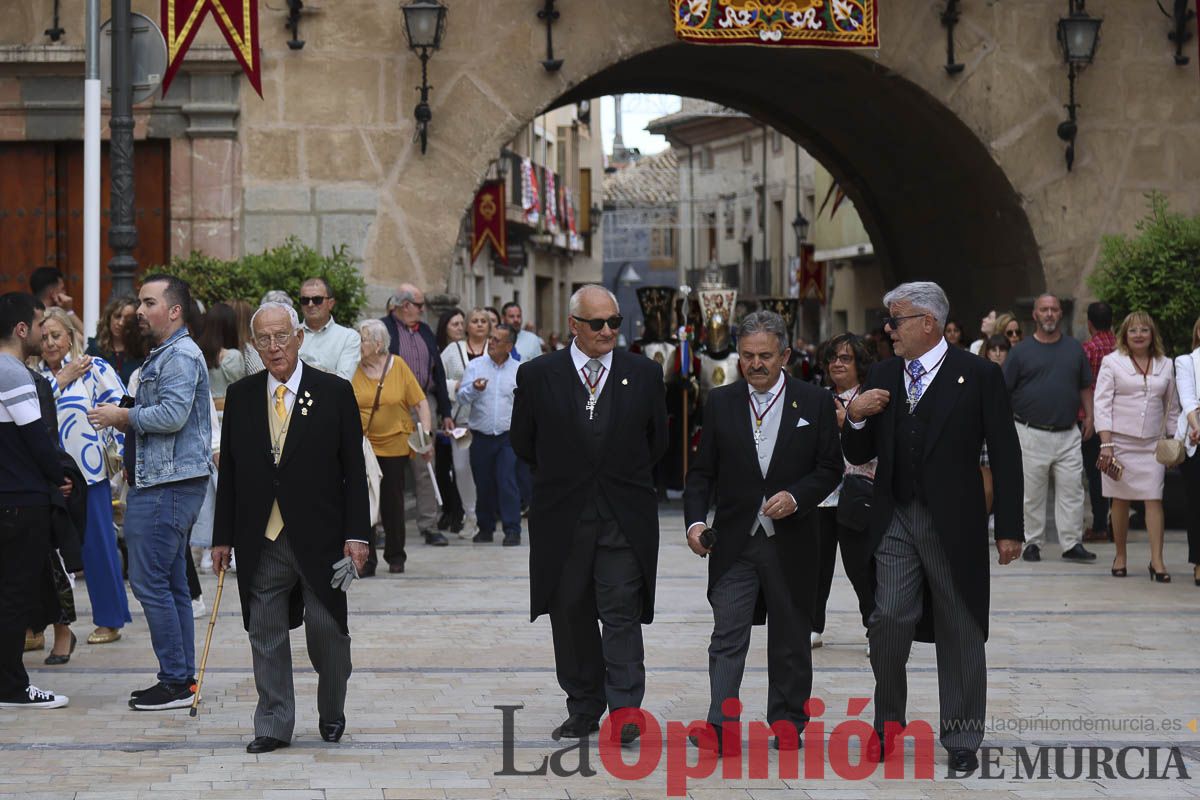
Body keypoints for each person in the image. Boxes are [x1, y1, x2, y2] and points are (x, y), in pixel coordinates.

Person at [843, 281, 1023, 774]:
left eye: (895, 321)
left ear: (928, 323)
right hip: (896, 515)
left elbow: (1006, 453)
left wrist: (1009, 527)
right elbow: (859, 453)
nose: (888, 330)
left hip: (955, 522)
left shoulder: (979, 374)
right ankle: (887, 724)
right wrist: (855, 418)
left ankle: (963, 736)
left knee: (960, 625)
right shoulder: (882, 373)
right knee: (889, 618)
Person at [511, 285, 668, 743]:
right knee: (572, 613)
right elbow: (524, 442)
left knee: (621, 612)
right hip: (564, 518)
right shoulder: (539, 375)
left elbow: (657, 440)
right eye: (597, 324)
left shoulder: (644, 374)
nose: (607, 332)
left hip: (623, 516)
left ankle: (624, 712)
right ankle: (582, 707)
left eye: (614, 323)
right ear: (574, 326)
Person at [211, 301, 370, 754]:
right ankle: (274, 724)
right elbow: (233, 475)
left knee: (328, 634)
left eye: (282, 336)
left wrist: (357, 536)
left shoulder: (334, 392)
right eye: (264, 338)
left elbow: (353, 472)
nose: (274, 346)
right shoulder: (242, 397)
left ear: (299, 337)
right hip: (261, 536)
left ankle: (332, 707)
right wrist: (223, 536)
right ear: (255, 345)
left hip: (322, 540)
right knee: (264, 630)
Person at [683, 311, 842, 751]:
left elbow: (830, 468)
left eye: (765, 356)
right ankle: (720, 724)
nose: (756, 364)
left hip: (792, 543)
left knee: (790, 636)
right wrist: (696, 523)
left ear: (785, 355)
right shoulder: (720, 402)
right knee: (727, 635)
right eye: (748, 356)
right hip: (734, 543)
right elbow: (701, 474)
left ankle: (788, 724)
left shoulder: (813, 402)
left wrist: (798, 497)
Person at [87, 274, 213, 711]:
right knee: (171, 584)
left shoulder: (179, 355)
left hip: (166, 486)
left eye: (148, 302)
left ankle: (176, 682)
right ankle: (180, 679)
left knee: (150, 583)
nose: (139, 311)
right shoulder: (169, 352)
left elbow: (173, 414)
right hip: (163, 483)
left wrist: (122, 417)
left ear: (174, 310)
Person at [36, 307, 131, 647]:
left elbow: (124, 404)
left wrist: (120, 451)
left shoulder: (94, 367)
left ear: (71, 335)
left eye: (56, 336)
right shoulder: (34, 375)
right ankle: (35, 627)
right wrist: (59, 380)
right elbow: (31, 406)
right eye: (44, 337)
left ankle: (110, 619)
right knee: (39, 552)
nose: (49, 343)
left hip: (89, 474)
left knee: (97, 547)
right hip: (43, 477)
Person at [0, 292, 70, 709]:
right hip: (20, 500)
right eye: (41, 326)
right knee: (14, 596)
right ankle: (11, 685)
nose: (45, 336)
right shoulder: (13, 373)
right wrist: (58, 476)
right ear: (21, 329)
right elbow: (37, 438)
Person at [1001, 294, 1095, 563]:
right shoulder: (1019, 352)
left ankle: (1071, 543)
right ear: (1035, 315)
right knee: (1031, 494)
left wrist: (1089, 416)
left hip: (1068, 432)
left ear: (1059, 314)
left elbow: (1084, 385)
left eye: (1054, 310)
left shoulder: (1074, 349)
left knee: (1073, 491)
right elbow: (1005, 391)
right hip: (1030, 432)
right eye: (1045, 310)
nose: (1050, 314)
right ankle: (1032, 542)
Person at [1093, 312, 1179, 582]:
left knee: (1154, 499)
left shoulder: (1166, 364)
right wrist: (1106, 443)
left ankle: (1158, 560)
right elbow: (1102, 403)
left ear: (1152, 334)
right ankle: (1120, 555)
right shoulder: (1112, 362)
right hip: (1119, 444)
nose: (1139, 335)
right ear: (1125, 335)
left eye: (1144, 330)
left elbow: (1172, 407)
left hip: (1153, 444)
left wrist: (1175, 440)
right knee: (1120, 500)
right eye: (1133, 331)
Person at [812, 334, 877, 654]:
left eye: (846, 358)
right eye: (833, 358)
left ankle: (874, 626)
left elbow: (876, 448)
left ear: (860, 365)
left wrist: (846, 422)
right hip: (820, 497)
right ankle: (812, 626)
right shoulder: (816, 398)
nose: (837, 363)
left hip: (857, 493)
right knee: (816, 565)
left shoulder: (870, 399)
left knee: (861, 566)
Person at [353, 319, 432, 575]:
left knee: (392, 503)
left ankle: (396, 555)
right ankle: (367, 560)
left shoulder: (397, 366)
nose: (359, 343)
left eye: (363, 339)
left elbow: (420, 402)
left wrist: (425, 436)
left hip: (395, 444)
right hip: (365, 446)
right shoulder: (352, 368)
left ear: (377, 344)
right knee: (364, 504)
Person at [381, 285, 454, 547]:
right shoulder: (384, 329)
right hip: (393, 407)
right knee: (387, 469)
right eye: (419, 305)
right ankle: (379, 526)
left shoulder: (424, 330)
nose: (423, 310)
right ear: (403, 305)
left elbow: (439, 373)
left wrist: (445, 411)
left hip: (423, 403)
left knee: (425, 467)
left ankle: (429, 524)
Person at [458, 324, 523, 546]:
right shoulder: (476, 366)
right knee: (483, 483)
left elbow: (526, 404)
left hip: (508, 437)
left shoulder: (519, 370)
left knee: (507, 481)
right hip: (481, 436)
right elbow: (461, 398)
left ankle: (512, 529)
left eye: (497, 340)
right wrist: (474, 389)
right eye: (491, 338)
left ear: (509, 346)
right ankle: (485, 528)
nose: (491, 342)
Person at [441, 308, 489, 539]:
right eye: (475, 321)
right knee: (461, 468)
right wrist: (456, 386)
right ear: (467, 326)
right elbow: (439, 378)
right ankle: (470, 516)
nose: (479, 325)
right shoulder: (453, 350)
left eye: (483, 321)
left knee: (485, 469)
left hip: (488, 420)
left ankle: (485, 515)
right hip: (460, 419)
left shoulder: (496, 349)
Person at [1080, 302, 1117, 543]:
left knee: (1096, 473)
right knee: (1116, 470)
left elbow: (1081, 382)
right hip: (1119, 417)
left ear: (1089, 323)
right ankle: (1117, 519)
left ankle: (1100, 525)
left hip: (1092, 417)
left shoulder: (1087, 349)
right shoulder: (1119, 347)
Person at [501, 303, 538, 511]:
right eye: (511, 316)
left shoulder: (531, 340)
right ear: (504, 317)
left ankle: (528, 500)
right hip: (503, 405)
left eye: (518, 315)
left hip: (525, 401)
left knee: (523, 459)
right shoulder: (498, 337)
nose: (516, 319)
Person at [432, 308, 467, 533]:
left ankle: (459, 512)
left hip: (463, 418)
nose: (460, 328)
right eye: (455, 324)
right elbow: (434, 380)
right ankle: (447, 510)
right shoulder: (437, 351)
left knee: (461, 468)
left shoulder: (467, 350)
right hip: (442, 418)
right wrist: (453, 386)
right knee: (443, 467)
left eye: (462, 323)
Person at [1175, 315, 1200, 586]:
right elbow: (1188, 400)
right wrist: (1196, 426)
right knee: (1197, 505)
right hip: (1196, 442)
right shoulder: (1186, 362)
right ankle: (1199, 562)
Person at [297, 277, 361, 380]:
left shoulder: (348, 337)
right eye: (305, 300)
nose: (310, 304)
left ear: (330, 303)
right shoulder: (291, 334)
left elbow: (343, 381)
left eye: (317, 300)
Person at [197, 302, 247, 414]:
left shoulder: (196, 354)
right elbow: (240, 392)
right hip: (226, 417)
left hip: (203, 417)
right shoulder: (232, 357)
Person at [87, 296, 141, 385]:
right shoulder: (95, 349)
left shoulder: (140, 352)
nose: (121, 323)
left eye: (127, 319)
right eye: (117, 316)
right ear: (109, 317)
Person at [29, 267, 83, 336]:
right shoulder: (55, 319)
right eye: (62, 288)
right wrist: (69, 311)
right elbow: (89, 340)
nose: (65, 292)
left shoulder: (28, 316)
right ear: (53, 293)